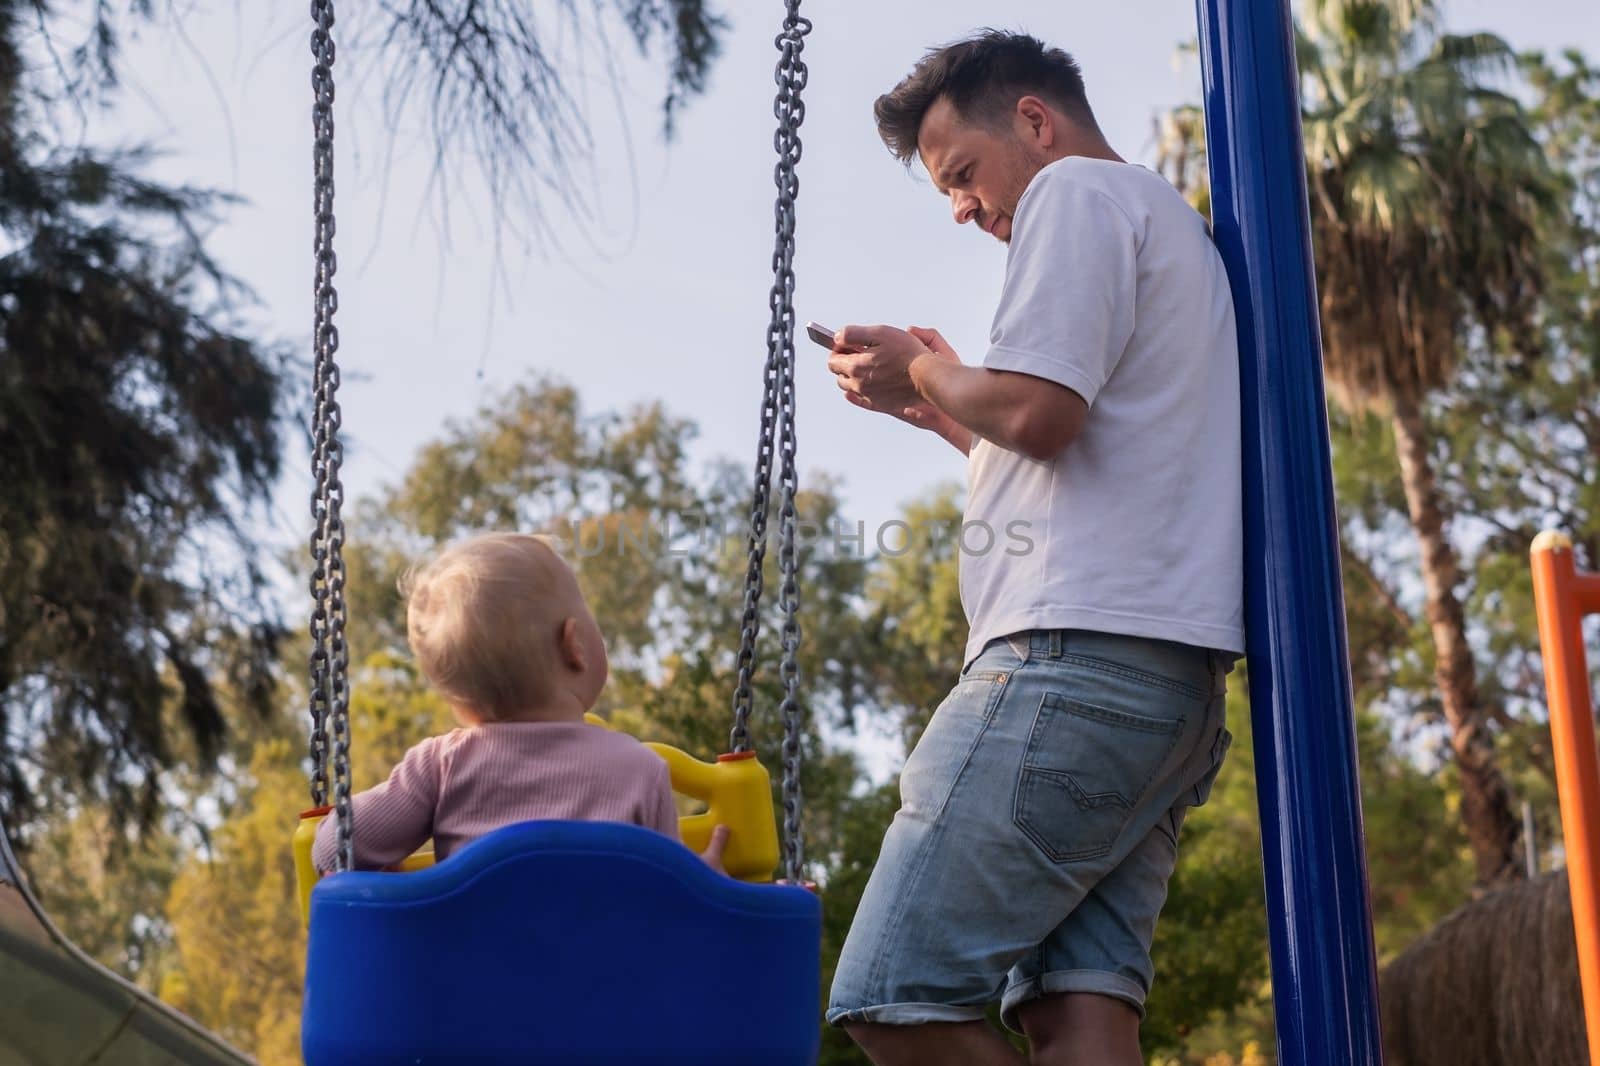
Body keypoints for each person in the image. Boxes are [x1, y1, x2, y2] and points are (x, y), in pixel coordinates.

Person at [822, 30, 1245, 1066]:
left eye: (960, 175)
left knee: (895, 993)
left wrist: (923, 372)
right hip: (1163, 684)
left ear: (1033, 120)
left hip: (1072, 666)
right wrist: (948, 413)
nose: (962, 208)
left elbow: (1040, 413)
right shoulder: (1163, 226)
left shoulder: (1076, 196)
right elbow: (1077, 446)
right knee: (1077, 1013)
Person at [311, 532, 727, 873]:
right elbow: (672, 906)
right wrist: (708, 879)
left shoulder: (442, 767)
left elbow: (332, 851)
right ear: (575, 645)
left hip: (475, 975)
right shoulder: (640, 771)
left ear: (457, 697)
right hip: (607, 975)